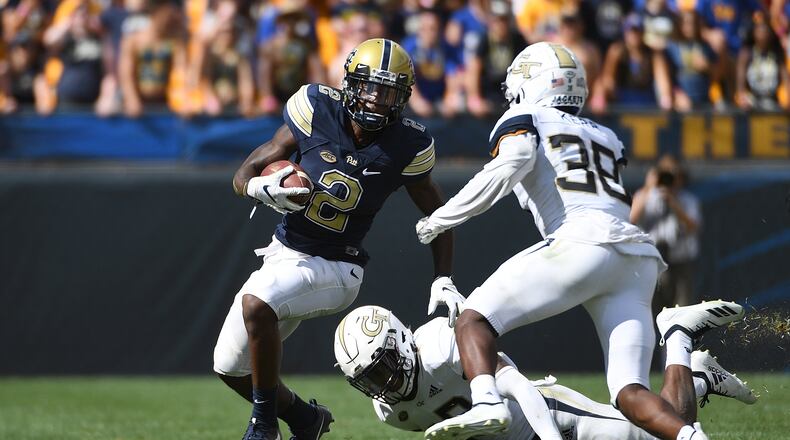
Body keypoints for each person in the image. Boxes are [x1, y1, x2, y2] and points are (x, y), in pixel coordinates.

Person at [414, 41, 744, 440]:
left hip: (583, 243)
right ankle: (677, 342)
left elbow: (510, 165)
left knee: (474, 319)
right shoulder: (605, 134)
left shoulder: (527, 115)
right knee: (629, 395)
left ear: (533, 84)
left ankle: (486, 401)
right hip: (636, 259)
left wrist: (441, 218)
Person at [212, 38, 463, 440]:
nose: (378, 100)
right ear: (350, 83)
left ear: (403, 98)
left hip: (337, 267)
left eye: (389, 92)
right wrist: (260, 189)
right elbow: (246, 171)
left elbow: (439, 214)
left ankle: (263, 428)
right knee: (230, 367)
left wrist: (443, 277)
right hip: (283, 254)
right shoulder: (315, 108)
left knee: (257, 305)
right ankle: (306, 420)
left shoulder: (408, 144)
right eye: (370, 87)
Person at [333, 305, 757, 439]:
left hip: (552, 418)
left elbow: (517, 386)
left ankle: (678, 336)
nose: (383, 384)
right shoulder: (388, 411)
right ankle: (699, 376)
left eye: (384, 367)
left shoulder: (444, 346)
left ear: (402, 342)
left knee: (671, 430)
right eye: (369, 379)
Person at [631, 154, 702, 315]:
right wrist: (649, 187)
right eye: (663, 172)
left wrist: (674, 204)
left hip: (681, 263)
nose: (668, 177)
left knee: (683, 313)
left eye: (672, 173)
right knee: (651, 313)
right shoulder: (645, 197)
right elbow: (630, 221)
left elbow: (693, 228)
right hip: (651, 262)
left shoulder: (687, 200)